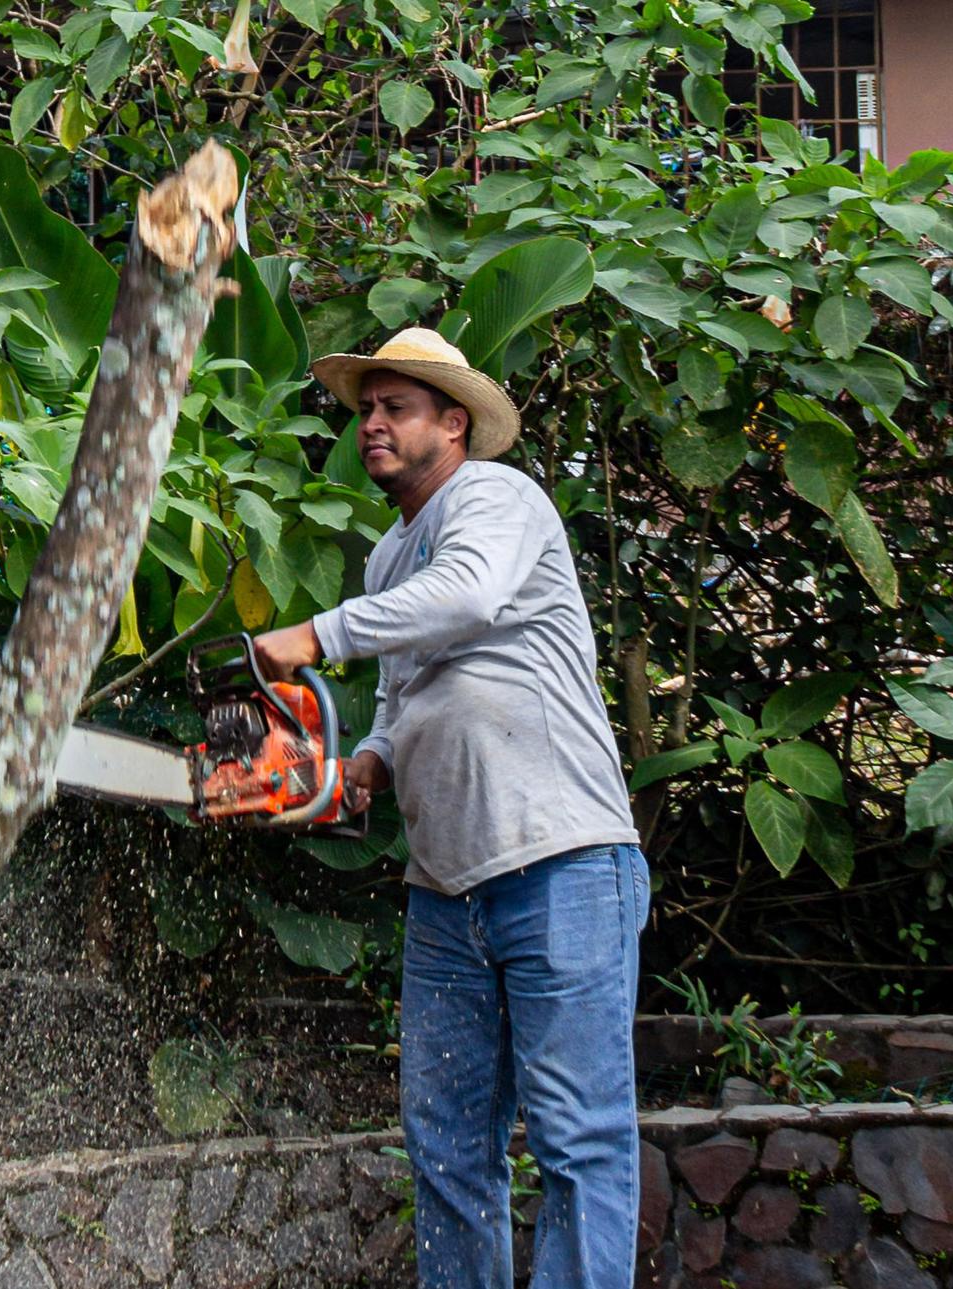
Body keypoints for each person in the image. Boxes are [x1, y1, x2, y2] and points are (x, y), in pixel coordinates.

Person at [252, 326, 649, 1289]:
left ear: (454, 422)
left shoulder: (495, 499)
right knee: (445, 1146)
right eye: (366, 410)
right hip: (445, 893)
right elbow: (399, 709)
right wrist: (358, 773)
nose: (373, 425)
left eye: (396, 408)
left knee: (578, 1140)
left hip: (561, 863)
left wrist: (314, 633)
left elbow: (469, 598)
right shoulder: (390, 558)